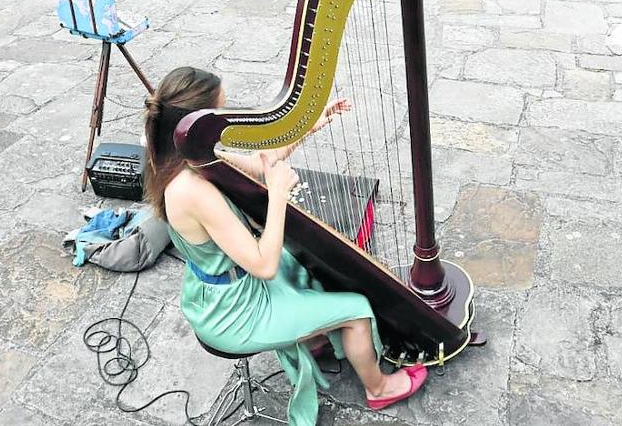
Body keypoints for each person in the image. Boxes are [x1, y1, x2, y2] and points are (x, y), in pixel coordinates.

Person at [143, 67, 430, 426]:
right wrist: (278, 196)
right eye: (219, 114)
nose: (225, 122)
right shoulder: (192, 190)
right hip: (232, 311)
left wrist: (313, 124)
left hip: (217, 288)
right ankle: (379, 388)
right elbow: (264, 266)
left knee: (305, 266)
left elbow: (260, 166)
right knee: (357, 309)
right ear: (197, 122)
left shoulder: (180, 156)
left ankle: (317, 336)